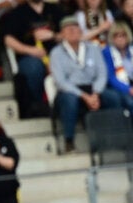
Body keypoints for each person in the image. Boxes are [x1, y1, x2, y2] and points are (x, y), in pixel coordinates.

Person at [50, 16, 122, 153]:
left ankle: (115, 137)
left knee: (113, 97)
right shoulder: (56, 53)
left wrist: (95, 93)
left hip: (92, 88)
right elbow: (60, 81)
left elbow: (102, 73)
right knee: (69, 100)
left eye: (75, 28)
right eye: (68, 29)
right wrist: (84, 96)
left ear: (81, 31)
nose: (72, 31)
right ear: (62, 34)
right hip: (70, 90)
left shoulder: (93, 49)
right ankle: (69, 141)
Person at [3, 0, 63, 119]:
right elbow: (8, 39)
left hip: (58, 55)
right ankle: (39, 106)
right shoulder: (17, 13)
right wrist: (30, 50)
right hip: (30, 57)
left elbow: (71, 33)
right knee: (34, 68)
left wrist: (53, 35)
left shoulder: (56, 9)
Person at [104, 23, 133, 113]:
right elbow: (111, 78)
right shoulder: (107, 52)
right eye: (116, 36)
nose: (120, 39)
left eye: (123, 36)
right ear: (112, 38)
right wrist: (128, 89)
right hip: (119, 87)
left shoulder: (131, 50)